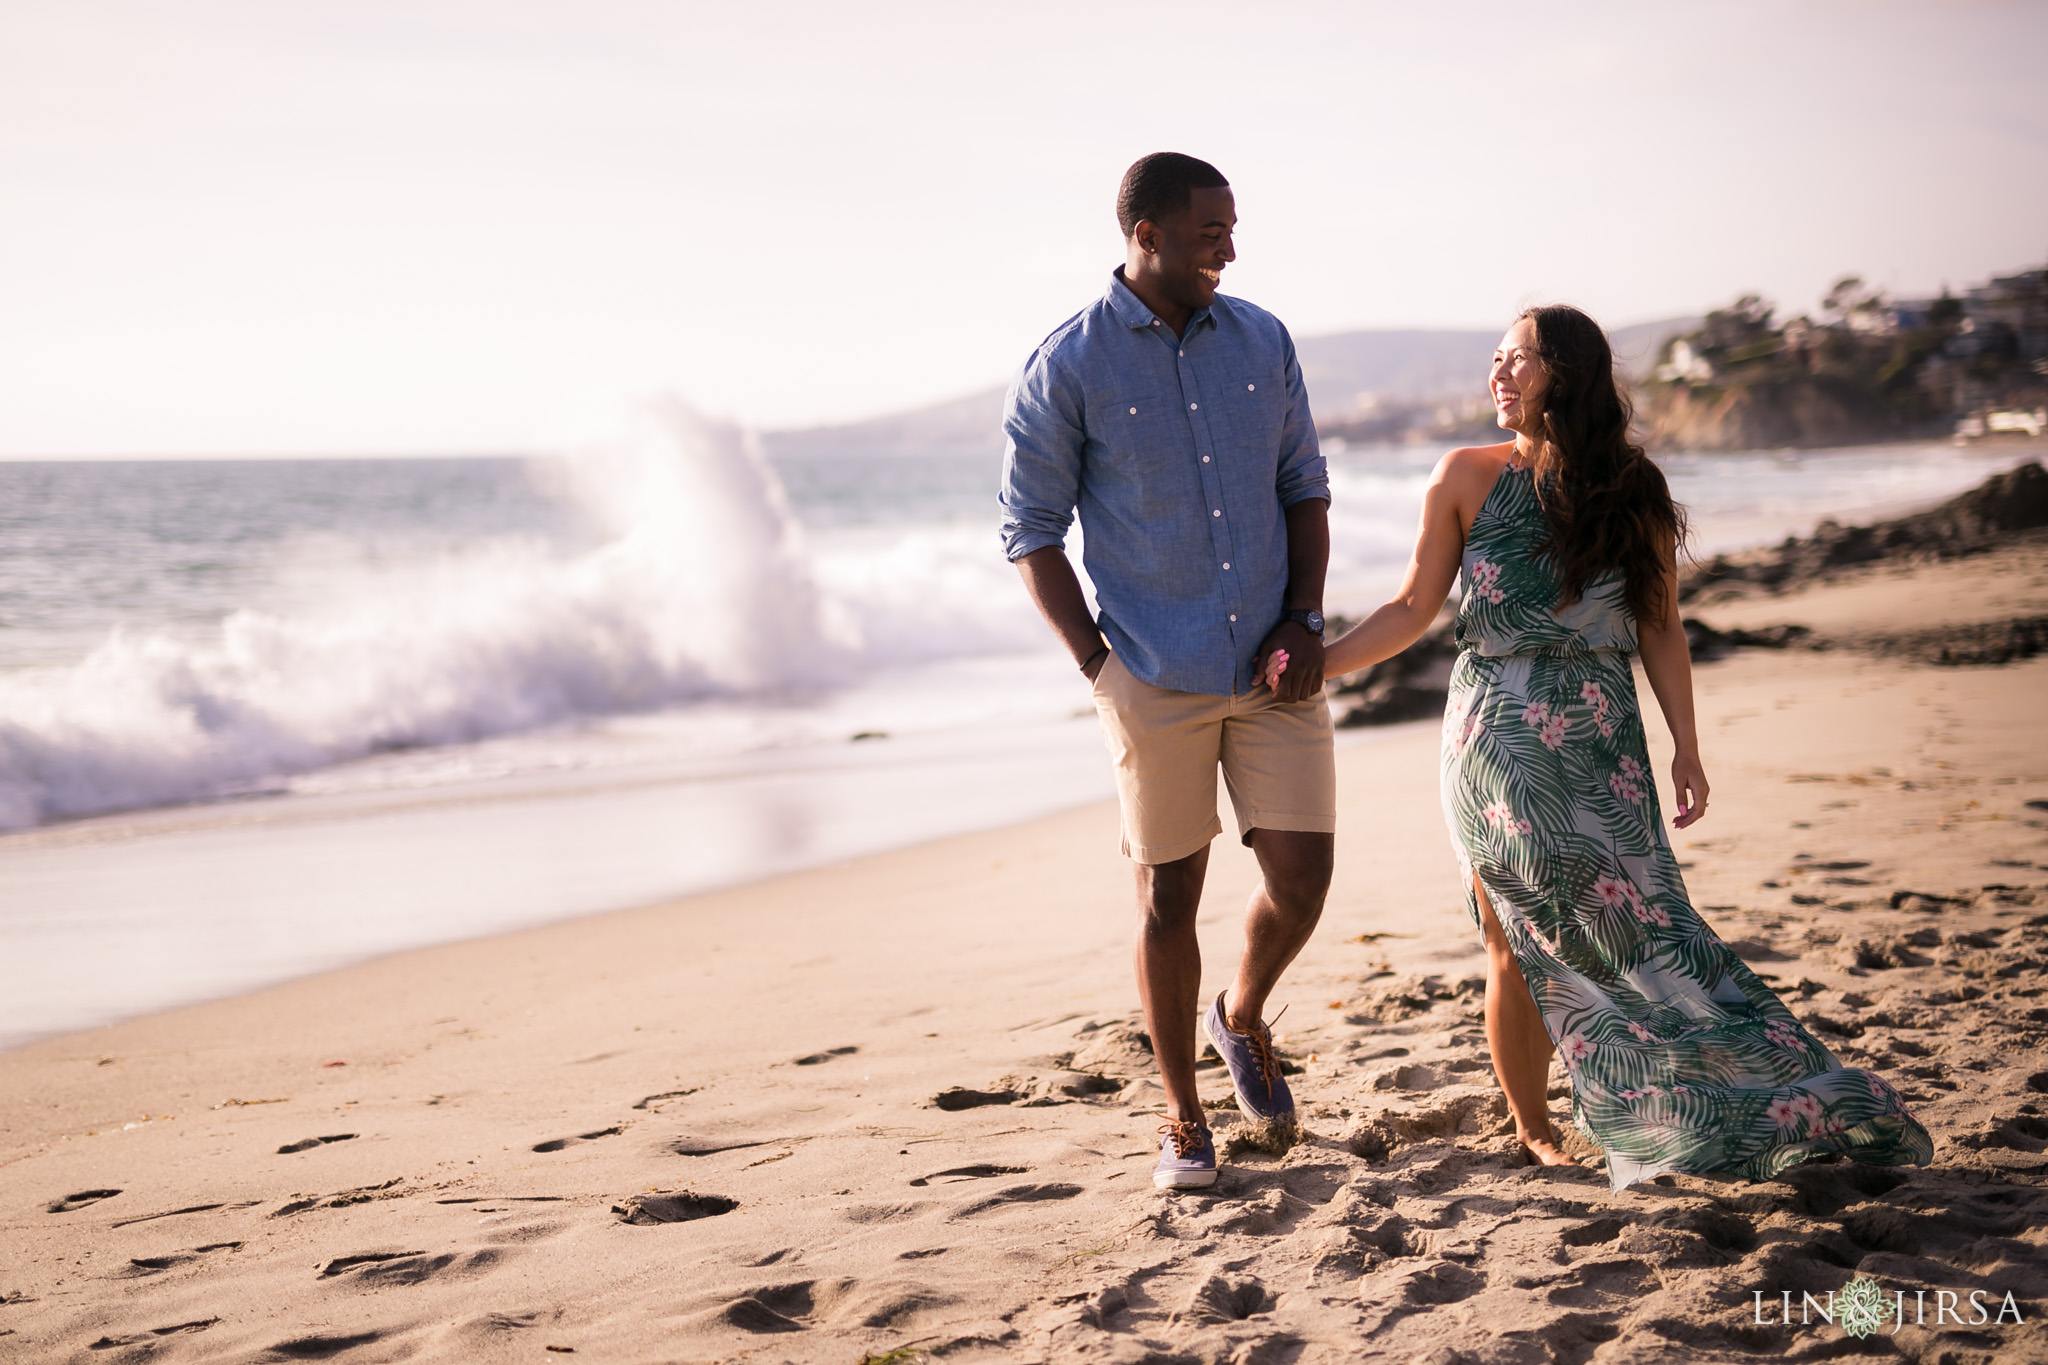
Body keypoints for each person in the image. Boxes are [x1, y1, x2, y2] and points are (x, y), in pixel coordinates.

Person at [1301, 305, 1932, 1187]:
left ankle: (1723, 1093)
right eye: (1493, 359)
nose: (1498, 374)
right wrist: (1320, 665)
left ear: (1565, 372)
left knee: (1646, 925)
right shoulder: (1463, 476)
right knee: (1514, 936)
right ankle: (1533, 1126)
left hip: (1603, 737)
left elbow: (1660, 624)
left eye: (1516, 360)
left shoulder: (1632, 489)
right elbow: (1413, 608)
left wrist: (1688, 745)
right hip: (1495, 741)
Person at [999, 153, 1335, 1190]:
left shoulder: (1263, 340)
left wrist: (1305, 617)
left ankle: (1239, 1016)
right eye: (1206, 233)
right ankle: (1182, 1121)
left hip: (1272, 663)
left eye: (1229, 230)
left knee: (1302, 876)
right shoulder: (1069, 364)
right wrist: (1099, 665)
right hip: (1152, 671)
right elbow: (1030, 531)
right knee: (1166, 900)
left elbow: (1303, 487)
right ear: (1142, 233)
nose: (1227, 249)